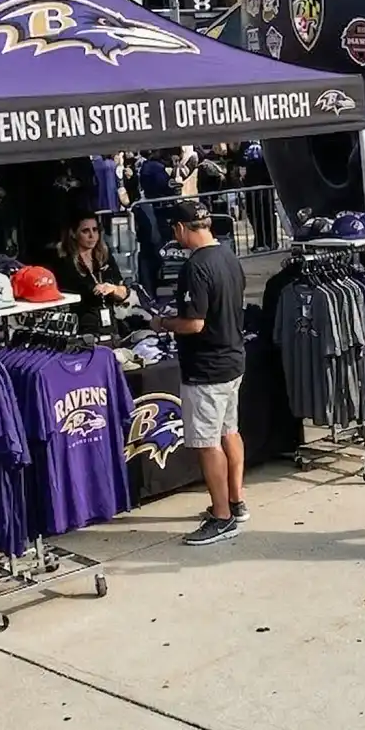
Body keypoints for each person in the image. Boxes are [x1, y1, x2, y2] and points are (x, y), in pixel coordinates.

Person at [155, 199, 249, 546]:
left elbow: (194, 323)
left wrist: (161, 323)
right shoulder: (228, 255)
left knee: (208, 444)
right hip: (232, 359)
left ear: (180, 229)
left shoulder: (195, 267)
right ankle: (235, 503)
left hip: (207, 368)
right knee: (230, 432)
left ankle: (222, 516)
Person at [51, 213, 130, 337]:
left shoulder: (104, 257)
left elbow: (123, 291)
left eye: (95, 230)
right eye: (85, 231)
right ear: (73, 234)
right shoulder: (65, 262)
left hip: (110, 325)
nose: (92, 236)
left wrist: (114, 289)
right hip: (82, 328)